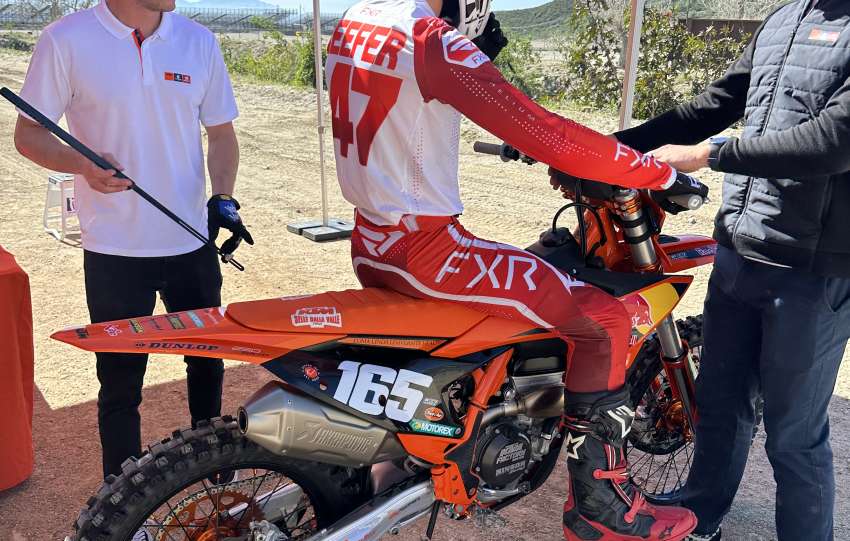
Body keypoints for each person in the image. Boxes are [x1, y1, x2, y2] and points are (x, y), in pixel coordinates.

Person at [325, 0, 707, 539]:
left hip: (372, 239)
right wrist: (656, 173)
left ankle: (412, 460)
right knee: (603, 320)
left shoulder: (356, 19)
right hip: (429, 252)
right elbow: (545, 132)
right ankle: (601, 508)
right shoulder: (430, 39)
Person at [608, 1, 850, 540]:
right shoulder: (783, 18)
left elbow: (834, 142)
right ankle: (701, 518)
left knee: (793, 435)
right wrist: (611, 149)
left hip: (811, 270)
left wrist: (708, 156)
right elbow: (716, 103)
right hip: (740, 251)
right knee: (719, 405)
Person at [13, 0, 253, 478]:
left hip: (191, 243)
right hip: (113, 251)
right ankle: (121, 502)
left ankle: (215, 478)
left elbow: (222, 134)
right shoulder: (65, 39)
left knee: (207, 365)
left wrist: (223, 197)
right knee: (120, 385)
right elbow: (28, 135)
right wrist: (82, 163)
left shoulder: (198, 41)